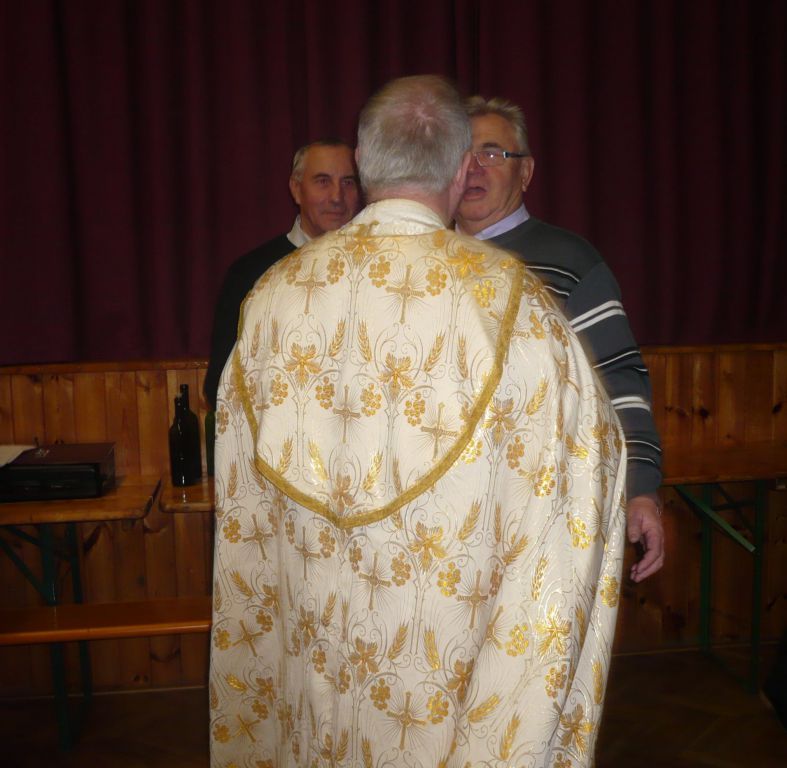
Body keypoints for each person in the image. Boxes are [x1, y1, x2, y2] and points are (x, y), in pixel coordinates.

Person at [209, 75, 631, 767]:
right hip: (448, 645)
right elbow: (580, 475)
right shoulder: (515, 306)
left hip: (312, 630)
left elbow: (241, 489)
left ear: (364, 163)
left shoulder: (273, 296)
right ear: (461, 168)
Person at [455, 96, 664, 583]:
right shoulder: (422, 261)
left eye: (492, 152)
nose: (474, 167)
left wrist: (641, 489)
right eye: (462, 154)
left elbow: (619, 380)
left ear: (526, 172)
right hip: (447, 516)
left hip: (539, 512)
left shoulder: (569, 261)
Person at [203, 139, 360, 409]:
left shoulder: (376, 269)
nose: (337, 197)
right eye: (323, 181)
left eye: (348, 182)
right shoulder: (251, 274)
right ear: (296, 189)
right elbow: (221, 383)